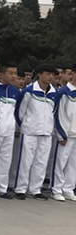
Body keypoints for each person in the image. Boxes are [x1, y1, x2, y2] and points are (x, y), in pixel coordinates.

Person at [13, 64, 58, 200]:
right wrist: (24, 125)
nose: (50, 77)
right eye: (48, 74)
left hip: (46, 133)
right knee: (26, 161)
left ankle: (35, 189)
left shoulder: (54, 93)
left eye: (52, 74)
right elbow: (20, 112)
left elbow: (53, 112)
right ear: (39, 74)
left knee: (41, 162)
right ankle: (21, 188)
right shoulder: (29, 91)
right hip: (30, 131)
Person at [0, 63, 20, 199]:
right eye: (11, 73)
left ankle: (0, 189)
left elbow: (16, 112)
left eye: (15, 73)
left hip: (9, 131)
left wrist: (15, 127)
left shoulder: (15, 91)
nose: (14, 76)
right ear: (1, 74)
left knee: (5, 160)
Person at [51, 68, 76, 201]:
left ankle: (68, 188)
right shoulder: (64, 92)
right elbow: (59, 114)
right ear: (73, 75)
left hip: (75, 134)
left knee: (73, 163)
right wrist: (61, 134)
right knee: (60, 162)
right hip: (66, 134)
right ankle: (56, 189)